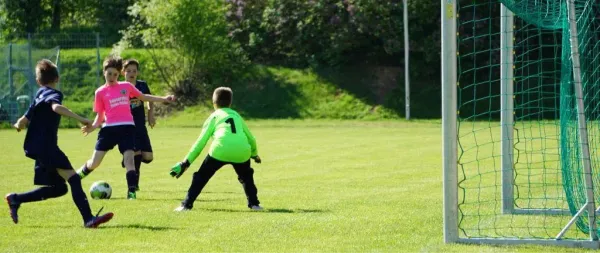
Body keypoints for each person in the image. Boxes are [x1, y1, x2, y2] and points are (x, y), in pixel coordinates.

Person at [5, 59, 114, 228]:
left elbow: (23, 120)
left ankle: (16, 199)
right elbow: (56, 108)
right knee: (74, 179)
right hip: (46, 147)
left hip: (36, 147)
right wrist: (82, 119)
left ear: (38, 81)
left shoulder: (38, 94)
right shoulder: (54, 94)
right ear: (57, 78)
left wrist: (18, 125)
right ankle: (88, 219)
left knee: (59, 188)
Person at [76, 55, 174, 200]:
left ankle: (131, 192)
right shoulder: (100, 92)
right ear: (104, 72)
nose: (112, 77)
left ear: (119, 74)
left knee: (130, 160)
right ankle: (76, 178)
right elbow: (100, 116)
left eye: (115, 74)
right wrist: (93, 127)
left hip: (127, 128)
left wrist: (163, 99)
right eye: (109, 73)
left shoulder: (126, 86)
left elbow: (145, 97)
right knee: (94, 163)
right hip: (108, 130)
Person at [170, 87, 263, 211]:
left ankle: (186, 205)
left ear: (214, 103)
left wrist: (186, 162)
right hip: (242, 151)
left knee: (201, 177)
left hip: (220, 150)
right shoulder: (236, 115)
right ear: (230, 103)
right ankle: (254, 204)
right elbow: (251, 139)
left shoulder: (214, 117)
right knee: (246, 177)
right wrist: (255, 155)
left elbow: (200, 142)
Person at [121, 59, 155, 191]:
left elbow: (150, 100)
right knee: (137, 153)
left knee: (148, 157)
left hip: (141, 125)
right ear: (123, 72)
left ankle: (127, 158)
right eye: (128, 70)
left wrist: (150, 115)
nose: (131, 73)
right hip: (127, 126)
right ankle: (134, 185)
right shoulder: (120, 87)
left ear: (137, 72)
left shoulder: (142, 85)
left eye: (134, 71)